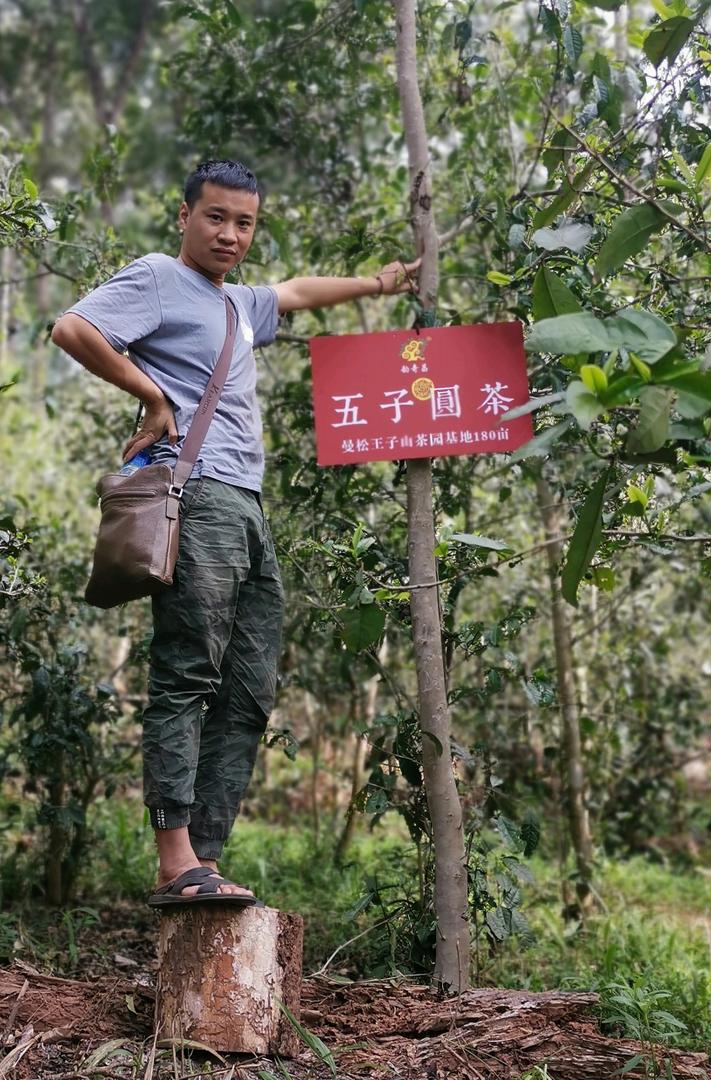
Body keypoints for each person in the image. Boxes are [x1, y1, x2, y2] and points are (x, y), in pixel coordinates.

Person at [51, 158, 417, 907]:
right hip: (199, 496)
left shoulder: (239, 304)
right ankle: (172, 855)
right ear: (185, 216)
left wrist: (378, 285)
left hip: (248, 505)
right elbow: (73, 328)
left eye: (244, 222)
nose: (229, 233)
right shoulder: (158, 275)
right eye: (215, 217)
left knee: (249, 689)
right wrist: (151, 394)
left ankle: (203, 862)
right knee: (187, 673)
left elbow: (296, 293)